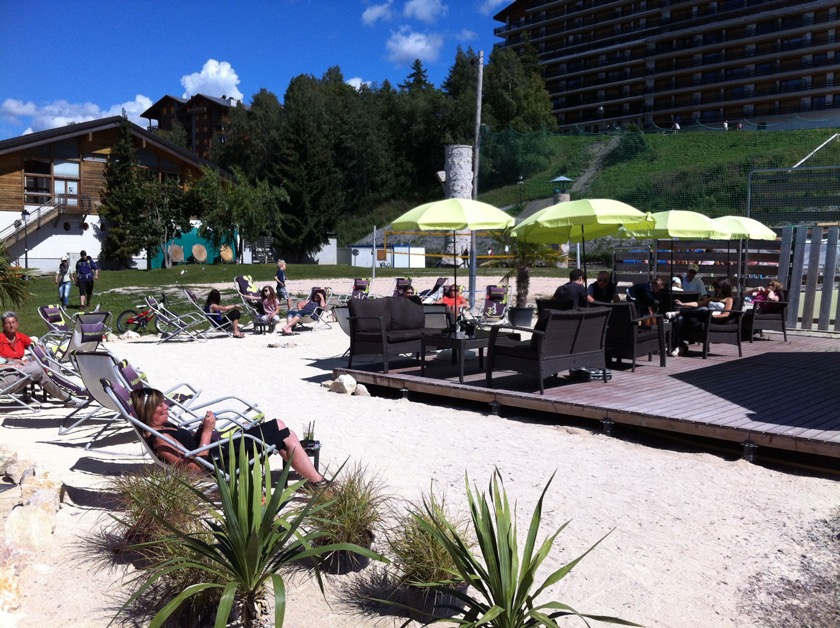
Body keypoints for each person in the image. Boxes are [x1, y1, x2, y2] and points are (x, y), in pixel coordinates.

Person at [130, 387, 324, 482]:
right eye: (160, 404)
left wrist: (202, 429)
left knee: (280, 425)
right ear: (149, 411)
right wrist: (206, 432)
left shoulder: (165, 427)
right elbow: (194, 469)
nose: (166, 406)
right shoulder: (159, 441)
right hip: (220, 463)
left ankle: (309, 474)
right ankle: (317, 482)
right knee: (285, 436)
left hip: (217, 451)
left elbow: (191, 446)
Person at [0, 311, 85, 407]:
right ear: (3, 325)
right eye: (8, 323)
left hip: (20, 369)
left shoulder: (20, 336)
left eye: (13, 322)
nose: (11, 325)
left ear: (17, 324)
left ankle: (66, 389)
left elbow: (39, 349)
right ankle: (68, 399)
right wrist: (11, 363)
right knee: (40, 367)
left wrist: (30, 357)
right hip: (7, 375)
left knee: (51, 362)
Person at [671, 279, 736, 356]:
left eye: (719, 288)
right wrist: (683, 304)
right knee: (680, 319)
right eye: (716, 287)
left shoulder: (729, 299)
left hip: (714, 319)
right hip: (703, 317)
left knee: (704, 310)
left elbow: (725, 314)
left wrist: (711, 315)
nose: (717, 289)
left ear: (725, 288)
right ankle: (679, 345)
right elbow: (698, 304)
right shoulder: (713, 298)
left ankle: (678, 312)